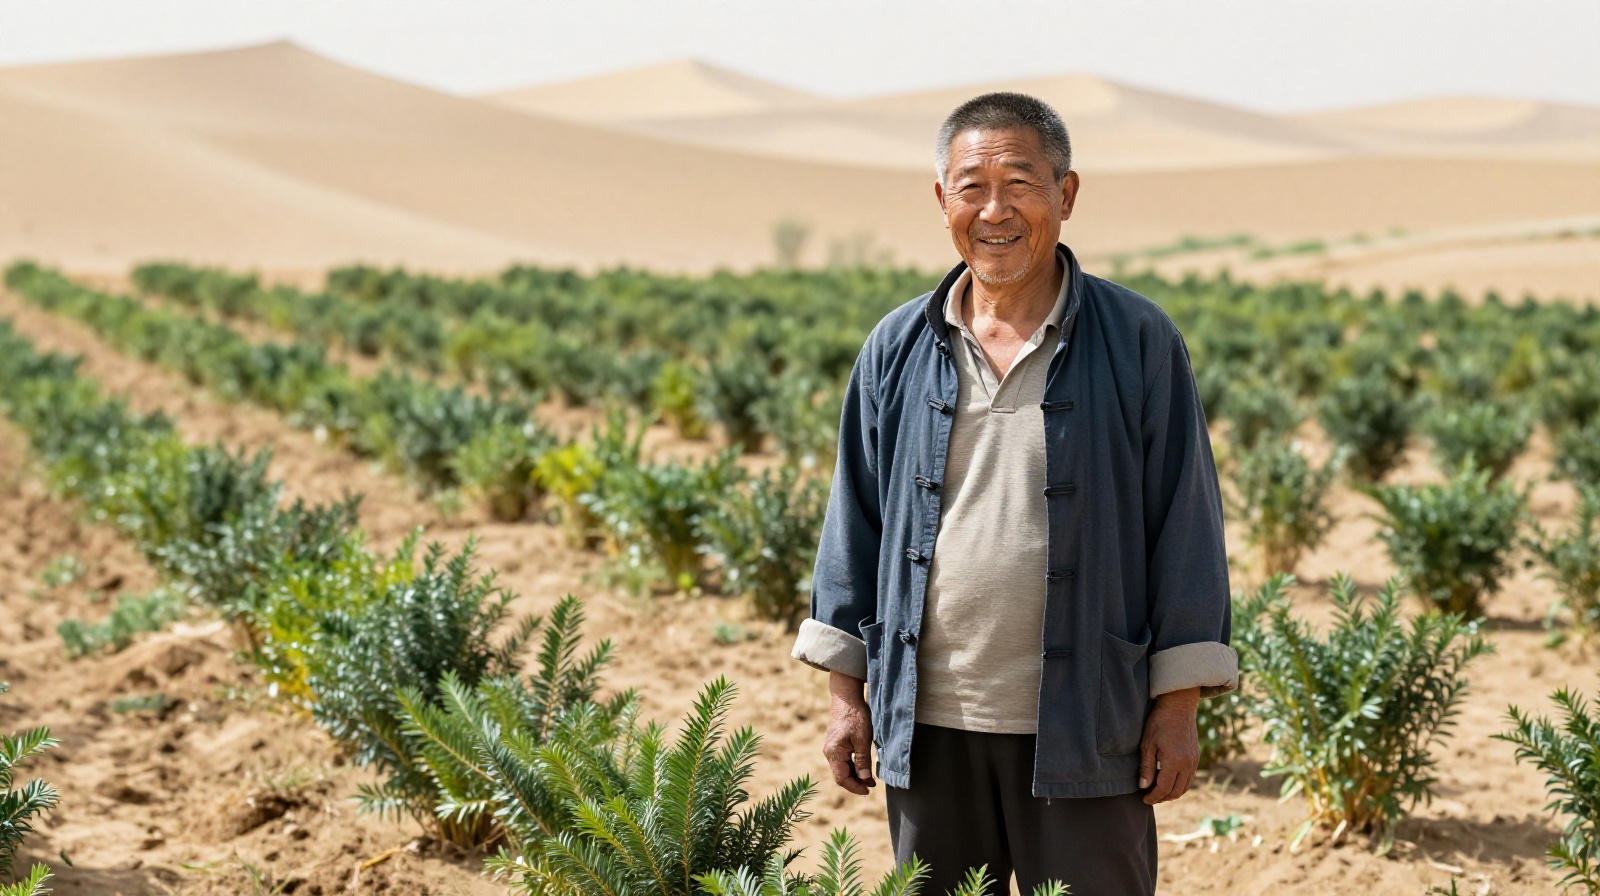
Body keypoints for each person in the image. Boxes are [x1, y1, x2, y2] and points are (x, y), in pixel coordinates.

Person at [790, 92, 1236, 896]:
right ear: (942, 201)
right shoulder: (896, 346)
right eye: (972, 188)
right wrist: (846, 698)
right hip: (930, 723)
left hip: (1090, 722)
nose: (994, 211)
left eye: (1020, 185)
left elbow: (1185, 527)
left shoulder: (1138, 341)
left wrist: (1177, 708)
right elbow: (854, 523)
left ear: (1066, 194)